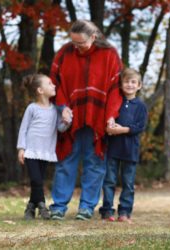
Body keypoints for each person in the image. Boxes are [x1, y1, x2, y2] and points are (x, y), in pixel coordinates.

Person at [49, 19, 123, 220]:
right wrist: (62, 107)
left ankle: (87, 207)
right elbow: (56, 84)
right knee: (66, 160)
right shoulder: (64, 53)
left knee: (94, 162)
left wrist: (110, 116)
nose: (76, 47)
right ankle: (58, 206)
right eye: (73, 42)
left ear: (93, 36)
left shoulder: (109, 54)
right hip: (70, 117)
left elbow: (115, 89)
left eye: (80, 42)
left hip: (97, 116)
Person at [17, 74, 71, 220]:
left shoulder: (55, 110)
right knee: (36, 180)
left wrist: (66, 121)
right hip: (31, 150)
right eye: (50, 83)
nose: (53, 86)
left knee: (38, 180)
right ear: (40, 90)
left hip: (46, 151)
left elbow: (60, 128)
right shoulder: (32, 108)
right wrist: (21, 148)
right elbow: (23, 129)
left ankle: (30, 208)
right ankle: (42, 205)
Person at [99, 68, 148, 223]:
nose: (129, 85)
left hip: (130, 150)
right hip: (113, 148)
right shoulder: (115, 103)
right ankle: (107, 211)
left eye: (133, 82)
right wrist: (111, 126)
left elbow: (140, 127)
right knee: (109, 181)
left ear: (139, 85)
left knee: (128, 183)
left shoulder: (140, 106)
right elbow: (109, 120)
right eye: (126, 81)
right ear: (120, 84)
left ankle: (125, 212)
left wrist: (122, 130)